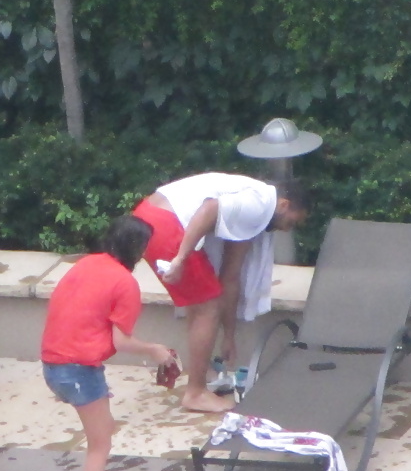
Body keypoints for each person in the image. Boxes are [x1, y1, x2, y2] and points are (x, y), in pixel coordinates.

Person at [41, 215, 178, 471]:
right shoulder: (125, 283)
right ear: (137, 249)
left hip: (54, 365)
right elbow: (121, 341)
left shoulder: (89, 264)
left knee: (102, 432)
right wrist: (155, 351)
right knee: (100, 446)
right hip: (77, 370)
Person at [132, 172, 310, 414]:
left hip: (148, 215)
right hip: (165, 223)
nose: (288, 229)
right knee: (207, 306)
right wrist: (181, 258)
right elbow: (209, 209)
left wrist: (229, 336)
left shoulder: (253, 218)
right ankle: (196, 393)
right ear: (284, 205)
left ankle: (200, 380)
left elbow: (230, 276)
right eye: (291, 222)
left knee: (203, 303)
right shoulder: (258, 203)